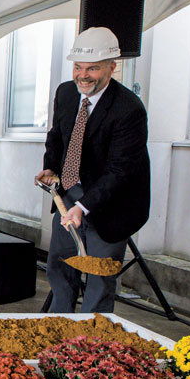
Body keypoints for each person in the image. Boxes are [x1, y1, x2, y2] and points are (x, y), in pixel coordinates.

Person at [36, 27, 149, 313]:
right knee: (60, 267)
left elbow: (120, 171)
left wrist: (84, 207)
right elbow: (58, 136)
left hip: (112, 204)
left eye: (93, 69)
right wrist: (50, 166)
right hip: (70, 193)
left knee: (99, 276)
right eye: (78, 67)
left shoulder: (129, 109)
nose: (83, 76)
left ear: (112, 67)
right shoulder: (65, 93)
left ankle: (90, 343)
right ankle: (58, 329)